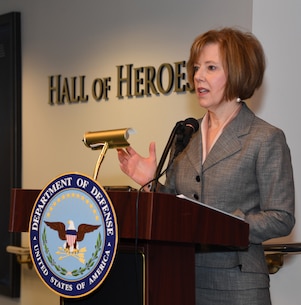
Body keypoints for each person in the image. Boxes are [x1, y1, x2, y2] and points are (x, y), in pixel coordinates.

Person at [117, 27, 295, 305]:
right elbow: (177, 212)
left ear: (238, 73)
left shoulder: (265, 138)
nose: (198, 75)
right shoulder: (187, 136)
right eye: (197, 67)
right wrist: (151, 183)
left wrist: (225, 226)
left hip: (237, 287)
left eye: (211, 67)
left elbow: (281, 216)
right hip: (180, 280)